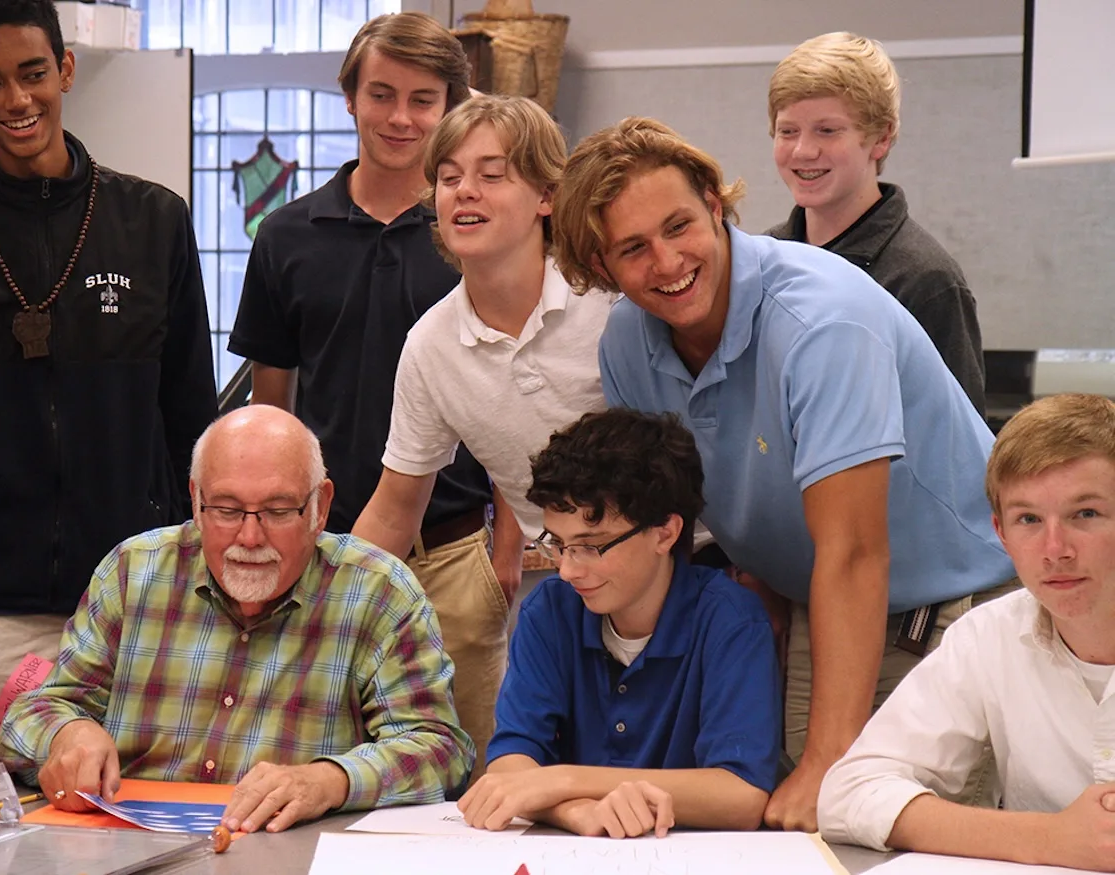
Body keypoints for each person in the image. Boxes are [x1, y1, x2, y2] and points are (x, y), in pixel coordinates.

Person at [551, 116, 1017, 832]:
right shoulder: (627, 341)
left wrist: (829, 759)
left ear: (714, 201)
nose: (668, 261)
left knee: (874, 820)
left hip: (950, 603)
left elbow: (856, 552)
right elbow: (668, 510)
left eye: (679, 225)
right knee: (784, 813)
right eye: (633, 249)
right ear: (600, 265)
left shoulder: (821, 322)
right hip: (813, 597)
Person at [0, 0, 216, 747]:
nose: (17, 100)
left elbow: (194, 427)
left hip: (139, 606)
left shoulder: (154, 221)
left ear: (65, 68)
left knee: (135, 829)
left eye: (33, 74)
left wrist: (205, 591)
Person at [230, 12, 512, 774]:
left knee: (470, 776)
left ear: (453, 106)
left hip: (457, 552)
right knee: (334, 769)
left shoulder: (479, 233)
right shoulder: (286, 236)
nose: (400, 117)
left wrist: (508, 547)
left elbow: (518, 390)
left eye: (423, 99)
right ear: (348, 98)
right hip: (328, 554)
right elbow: (270, 416)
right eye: (381, 94)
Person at [0, 405, 473, 833]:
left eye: (278, 510)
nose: (249, 536)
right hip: (126, 845)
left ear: (320, 507)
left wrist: (329, 780)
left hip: (286, 852)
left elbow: (439, 750)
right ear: (195, 501)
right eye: (225, 510)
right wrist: (68, 732)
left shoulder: (378, 592)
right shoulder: (132, 572)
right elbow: (30, 714)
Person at [819, 393, 1115, 870]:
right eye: (1029, 520)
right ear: (1000, 533)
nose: (1054, 549)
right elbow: (849, 793)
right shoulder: (989, 636)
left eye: (1085, 514)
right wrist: (1049, 837)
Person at [351, 92, 613, 622]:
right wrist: (329, 611)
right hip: (576, 587)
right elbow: (396, 507)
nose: (465, 192)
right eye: (449, 179)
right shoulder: (431, 344)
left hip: (695, 562)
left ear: (546, 195)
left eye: (492, 176)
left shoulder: (609, 300)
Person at [456, 409, 779, 838]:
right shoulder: (549, 612)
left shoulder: (730, 621)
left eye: (591, 546)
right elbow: (511, 768)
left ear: (665, 533)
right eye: (557, 544)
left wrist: (566, 780)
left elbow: (742, 795)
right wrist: (577, 811)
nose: (568, 570)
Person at [766, 32, 984, 414]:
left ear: (881, 138)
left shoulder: (926, 280)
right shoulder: (763, 261)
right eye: (788, 131)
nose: (803, 150)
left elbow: (957, 448)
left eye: (827, 130)